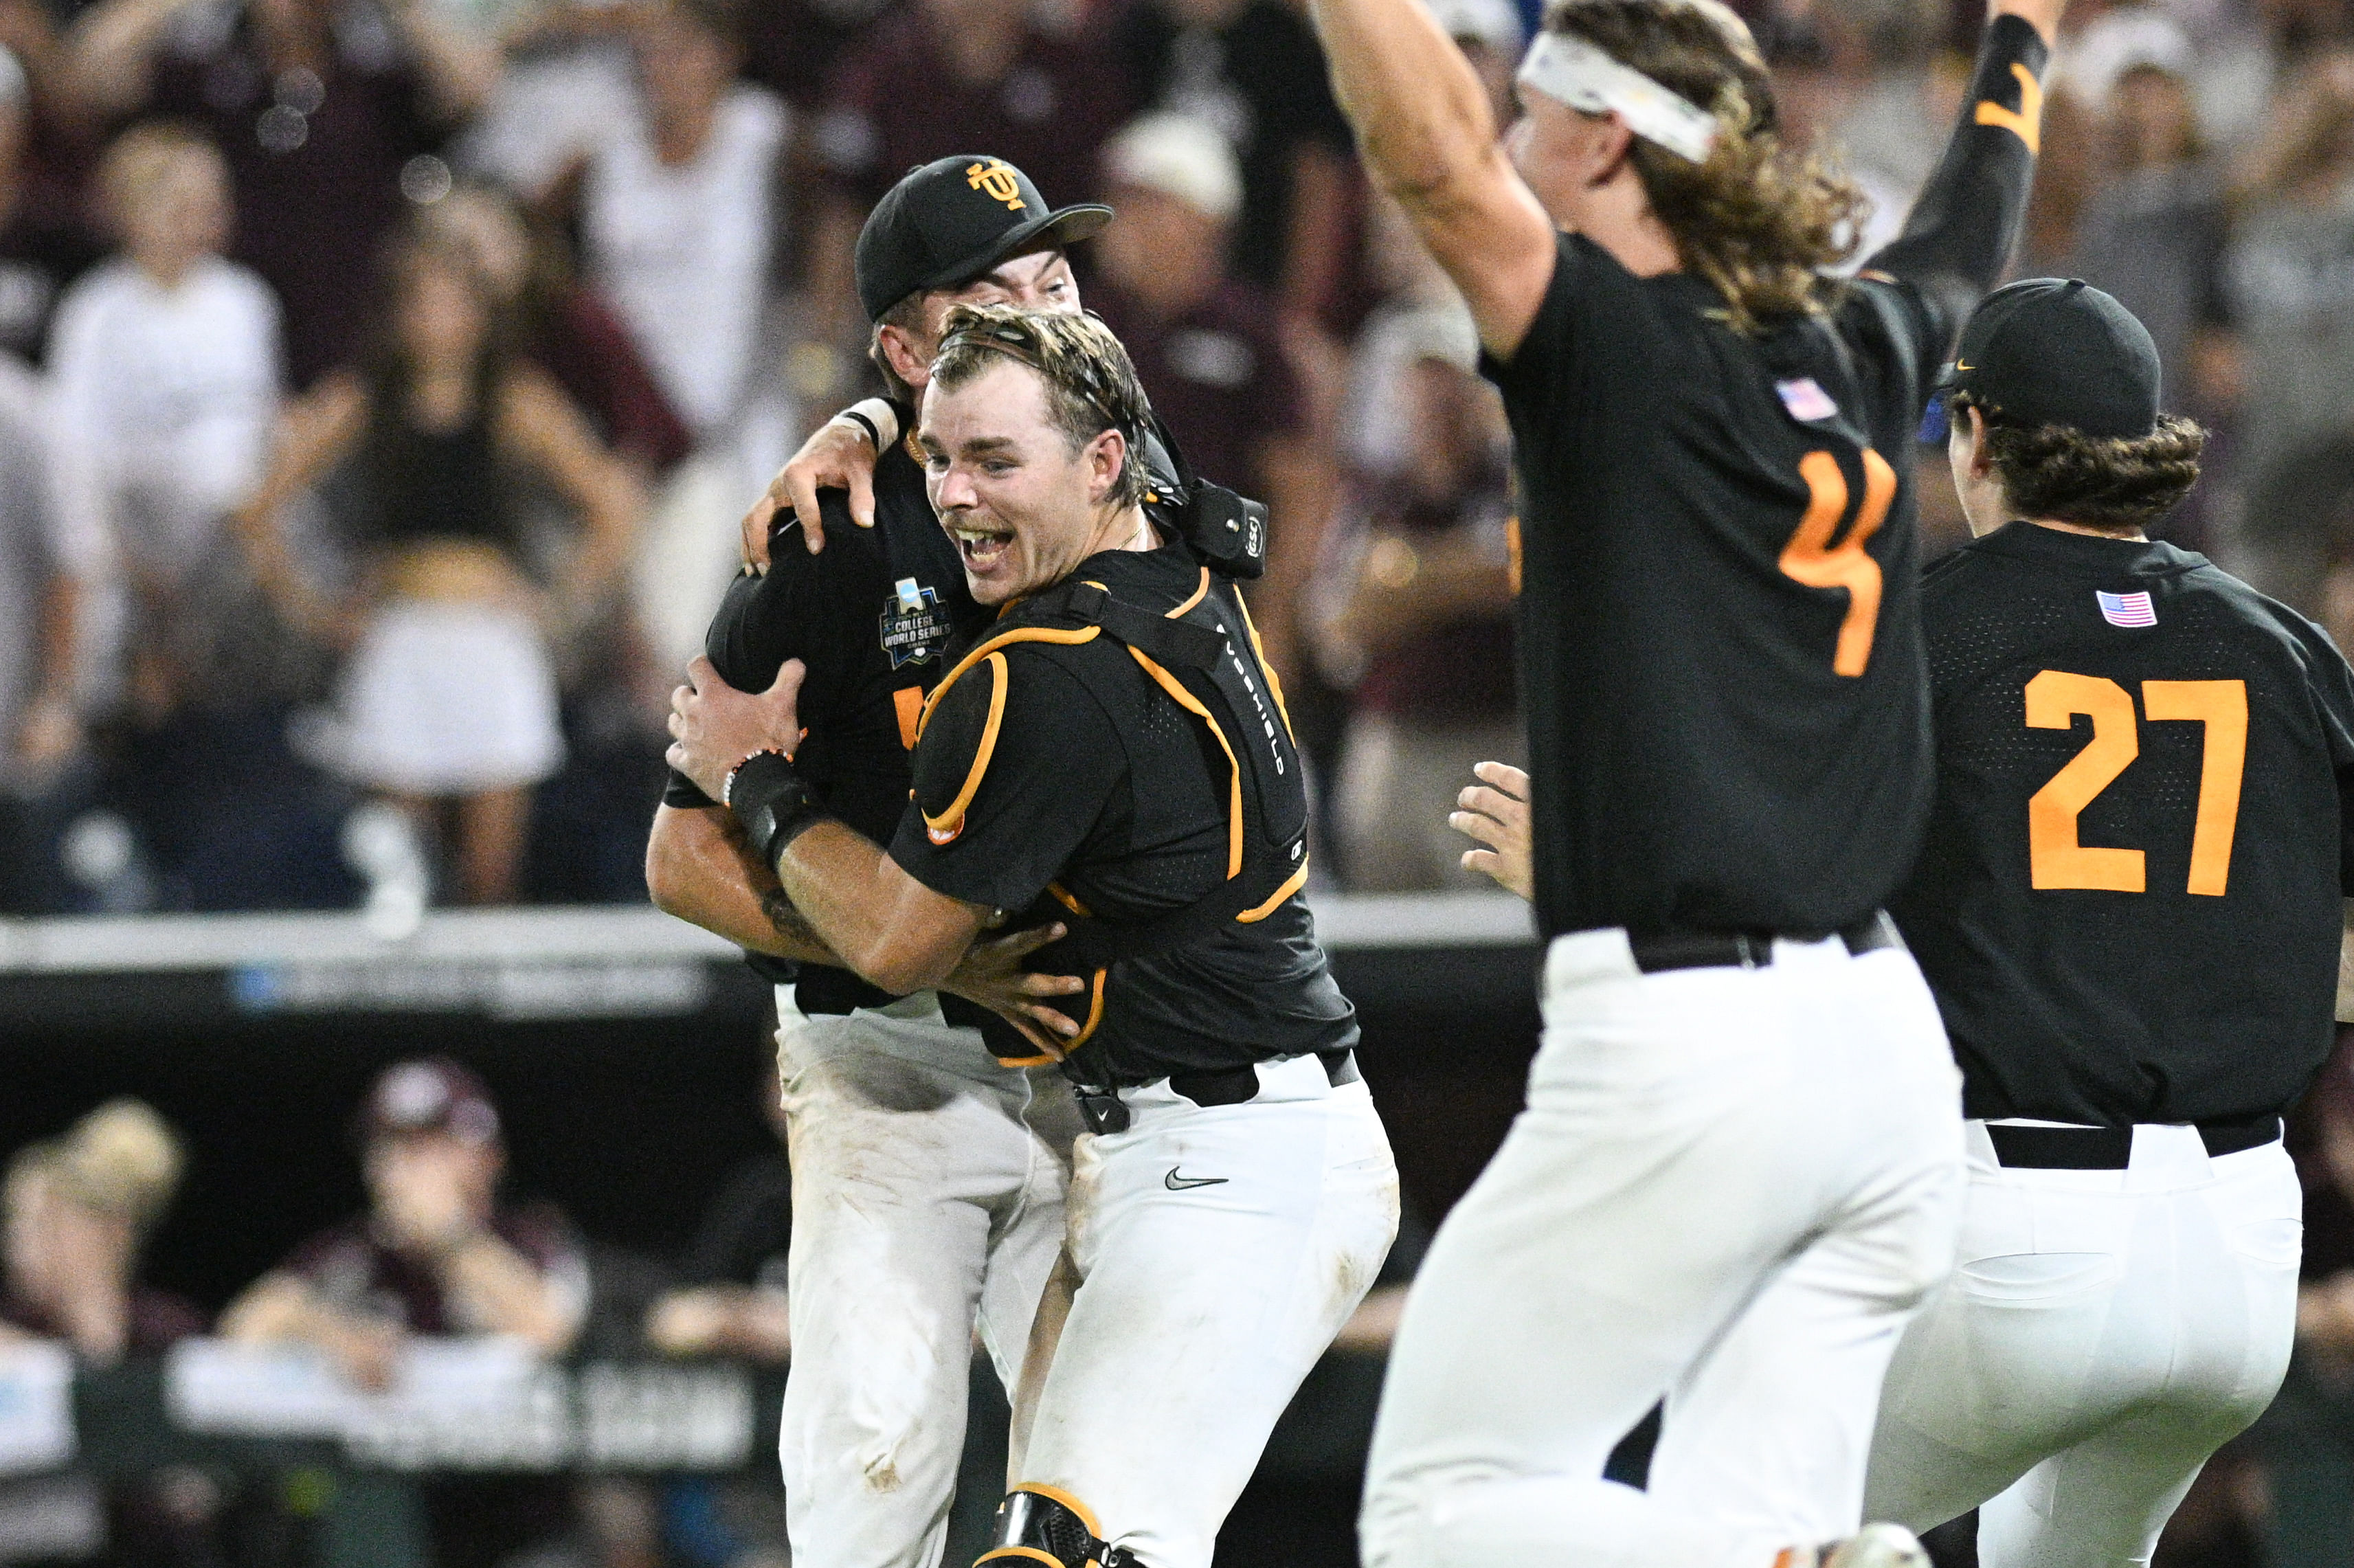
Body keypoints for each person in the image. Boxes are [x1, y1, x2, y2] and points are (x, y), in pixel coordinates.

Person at [1300, 0, 2063, 1558]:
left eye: (1533, 114)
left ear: (1599, 137)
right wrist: (2019, 42)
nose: (1508, 143)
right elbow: (1967, 223)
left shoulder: (1606, 345)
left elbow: (1430, 162)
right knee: (1747, 1521)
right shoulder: (1848, 349)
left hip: (1688, 1048)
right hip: (1881, 1066)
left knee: (1442, 1509)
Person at [665, 303, 1398, 1568]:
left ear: (1104, 462)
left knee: (1076, 1552)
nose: (954, 495)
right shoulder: (1186, 542)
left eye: (994, 463)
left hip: (1228, 1163)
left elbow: (897, 943)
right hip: (1231, 1134)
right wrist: (868, 422)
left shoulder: (1044, 671)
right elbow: (1071, 385)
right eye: (940, 459)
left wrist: (758, 784)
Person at [643, 155, 1128, 1568]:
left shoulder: (1130, 476)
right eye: (993, 305)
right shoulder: (827, 539)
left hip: (1113, 1065)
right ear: (911, 353)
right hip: (894, 1067)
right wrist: (905, 937)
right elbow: (680, 852)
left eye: (1057, 286)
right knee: (872, 1481)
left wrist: (865, 416)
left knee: (1111, 1501)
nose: (1045, 321)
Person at [1853, 278, 2353, 1568]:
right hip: (2243, 1255)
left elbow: (1778, 907)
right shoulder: (2283, 647)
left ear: (1974, 432)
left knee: (1726, 1509)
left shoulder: (1930, 639)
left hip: (2017, 1228)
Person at [234, 228, 643, 905]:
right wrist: (313, 607)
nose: (435, 320)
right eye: (419, 304)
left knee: (490, 875)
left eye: (451, 303)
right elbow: (258, 505)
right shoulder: (365, 400)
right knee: (405, 867)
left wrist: (558, 600)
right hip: (401, 636)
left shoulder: (515, 401)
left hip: (488, 641)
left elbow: (613, 506)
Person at [222, 1057, 588, 1568]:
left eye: (431, 1145)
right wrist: (331, 1333)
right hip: (391, 1520)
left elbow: (553, 1330)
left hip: (519, 1521)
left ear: (484, 1155)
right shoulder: (354, 1253)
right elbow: (246, 1326)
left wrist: (448, 1241)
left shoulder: (528, 1242)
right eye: (392, 1147)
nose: (407, 1166)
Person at [62, 0, 500, 386]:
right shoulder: (211, 73)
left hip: (350, 353)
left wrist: (401, 8)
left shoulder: (374, 83)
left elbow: (474, 89)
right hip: (222, 351)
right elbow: (91, 73)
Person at [47, 122, 279, 724]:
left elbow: (264, 427)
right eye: (181, 208)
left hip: (235, 542)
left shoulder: (245, 300)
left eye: (210, 207)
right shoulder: (96, 312)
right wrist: (132, 564)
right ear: (131, 211)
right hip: (134, 544)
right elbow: (75, 458)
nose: (199, 223)